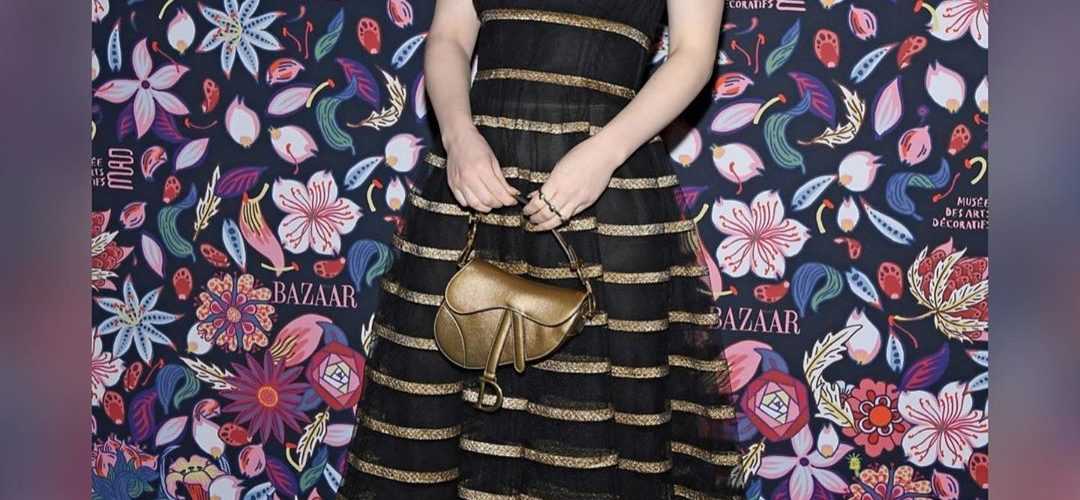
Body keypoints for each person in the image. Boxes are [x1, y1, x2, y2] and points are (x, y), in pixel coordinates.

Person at [338, 0, 739, 498]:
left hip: (605, 191)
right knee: (431, 417)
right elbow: (449, 37)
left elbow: (693, 55)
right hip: (475, 182)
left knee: (590, 425)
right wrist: (459, 138)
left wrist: (604, 153)